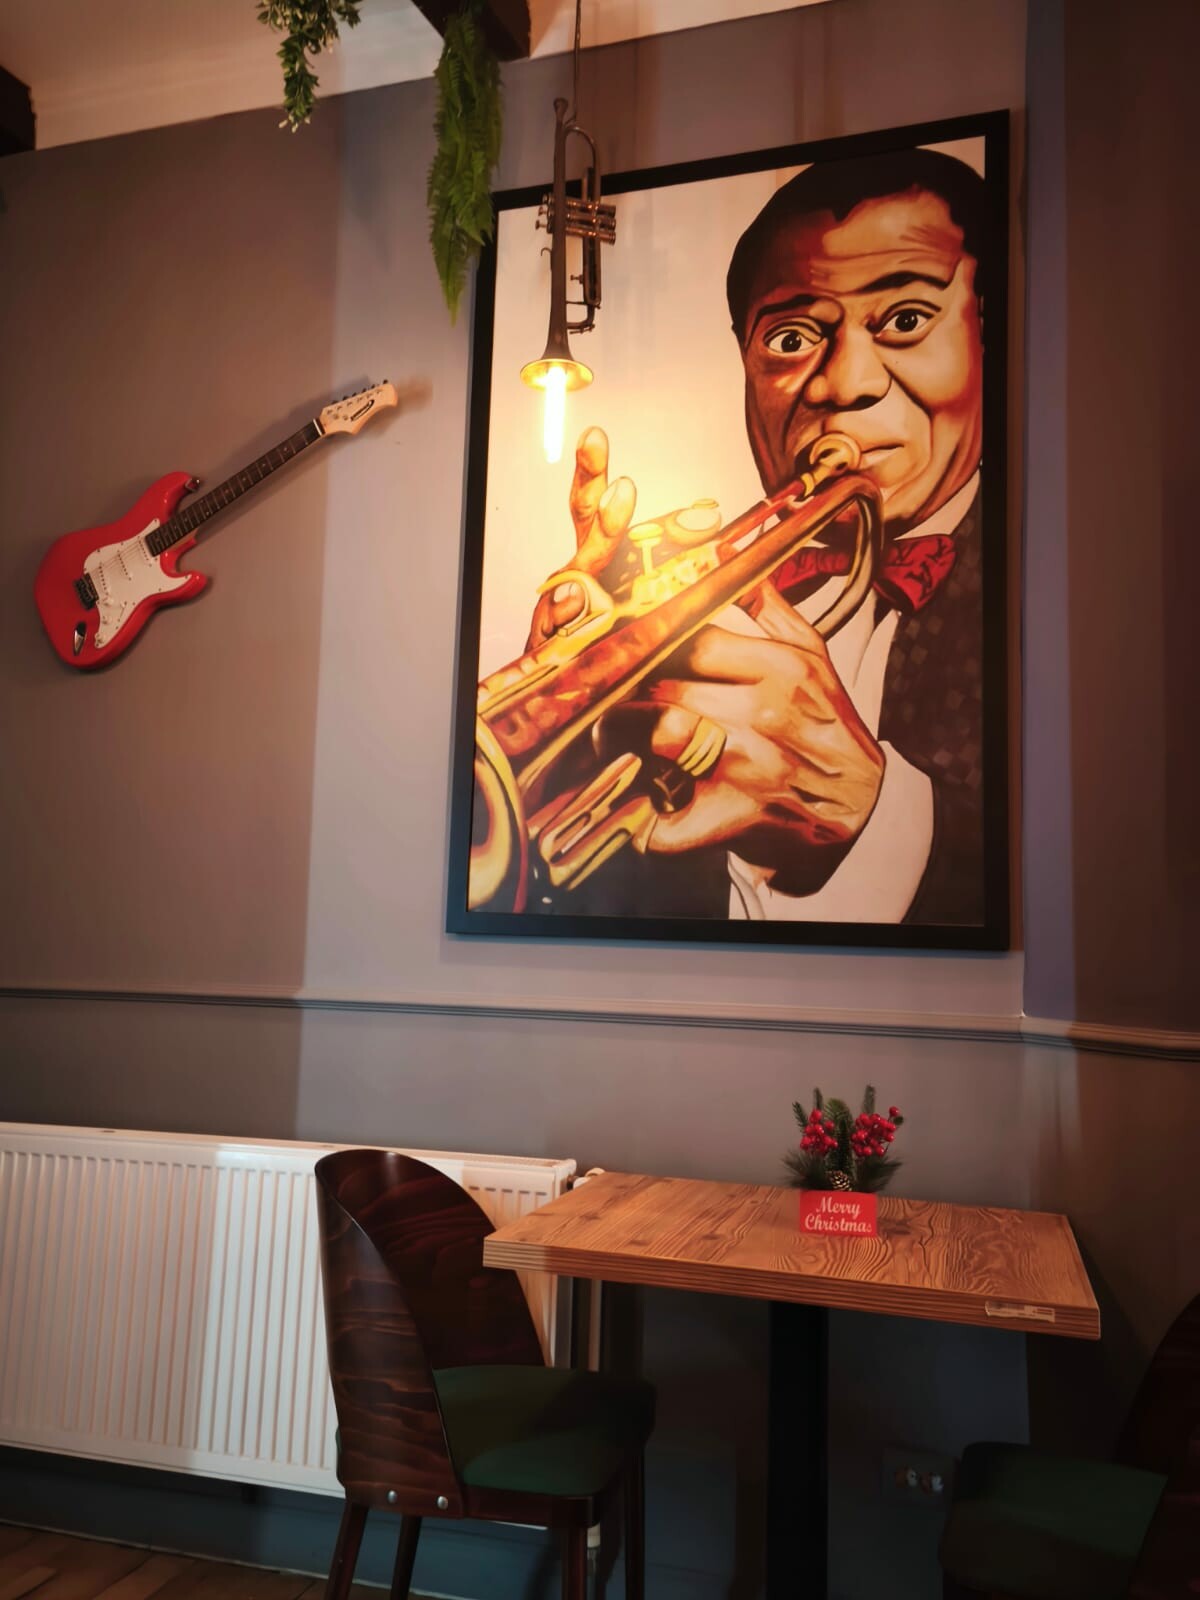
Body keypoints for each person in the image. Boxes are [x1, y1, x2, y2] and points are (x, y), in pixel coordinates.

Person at [523, 148, 989, 926]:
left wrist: (872, 815)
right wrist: (558, 726)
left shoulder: (1063, 585)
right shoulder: (661, 586)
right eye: (791, 338)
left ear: (985, 337)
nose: (844, 384)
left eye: (906, 320)